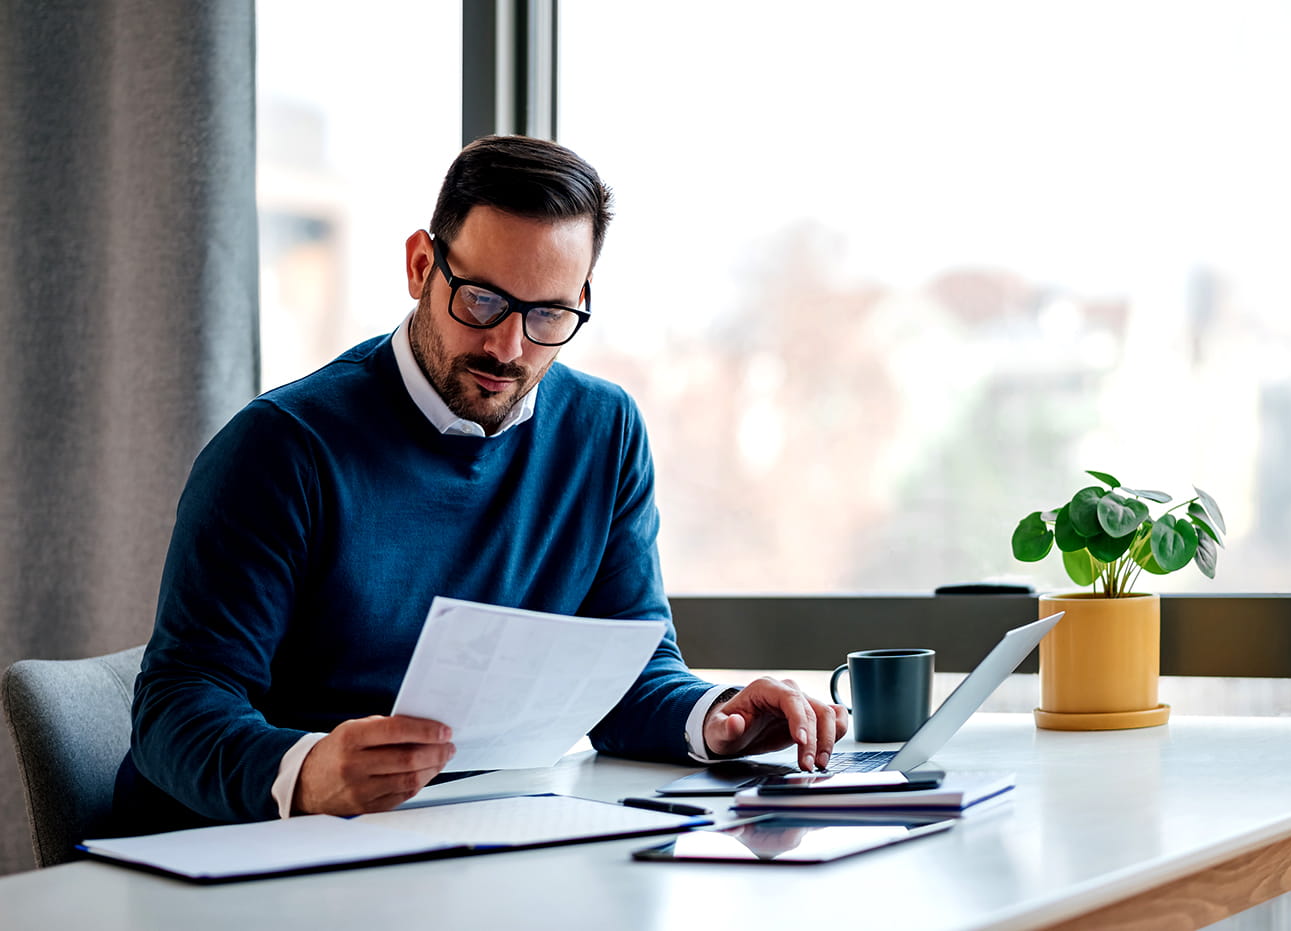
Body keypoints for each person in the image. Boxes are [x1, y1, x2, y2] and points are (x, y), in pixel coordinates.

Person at [115, 135, 847, 831]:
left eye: (549, 314)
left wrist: (720, 718)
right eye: (484, 300)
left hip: (462, 840)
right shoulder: (280, 449)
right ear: (419, 265)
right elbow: (176, 710)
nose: (509, 346)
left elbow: (631, 672)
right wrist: (307, 771)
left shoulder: (605, 432)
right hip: (244, 857)